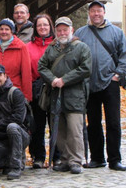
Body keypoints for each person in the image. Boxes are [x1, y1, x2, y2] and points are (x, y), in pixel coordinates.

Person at [74, 1, 126, 171]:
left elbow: (125, 55)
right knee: (93, 122)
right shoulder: (81, 33)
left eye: (99, 11)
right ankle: (97, 158)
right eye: (93, 11)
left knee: (113, 122)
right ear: (89, 14)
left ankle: (115, 159)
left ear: (104, 12)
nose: (96, 14)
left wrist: (118, 74)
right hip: (89, 84)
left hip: (110, 83)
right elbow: (73, 54)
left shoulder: (116, 32)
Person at [38, 16, 92, 174]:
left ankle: (76, 160)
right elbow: (42, 66)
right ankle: (66, 159)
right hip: (56, 95)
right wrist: (53, 79)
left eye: (65, 29)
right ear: (55, 31)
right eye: (59, 30)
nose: (62, 33)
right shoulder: (52, 48)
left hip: (75, 96)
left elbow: (86, 69)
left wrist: (65, 80)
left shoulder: (81, 48)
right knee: (59, 130)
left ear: (71, 30)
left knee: (75, 130)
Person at [26, 14, 58, 169]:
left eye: (45, 25)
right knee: (37, 126)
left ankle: (56, 156)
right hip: (36, 89)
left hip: (55, 88)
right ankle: (38, 156)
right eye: (39, 25)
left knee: (55, 124)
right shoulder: (28, 47)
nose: (43, 28)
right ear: (35, 28)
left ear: (50, 26)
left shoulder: (58, 45)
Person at [0, 18, 32, 102]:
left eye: (7, 29)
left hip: (14, 92)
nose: (4, 32)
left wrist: (26, 96)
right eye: (1, 29)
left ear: (12, 31)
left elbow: (26, 74)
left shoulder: (21, 47)